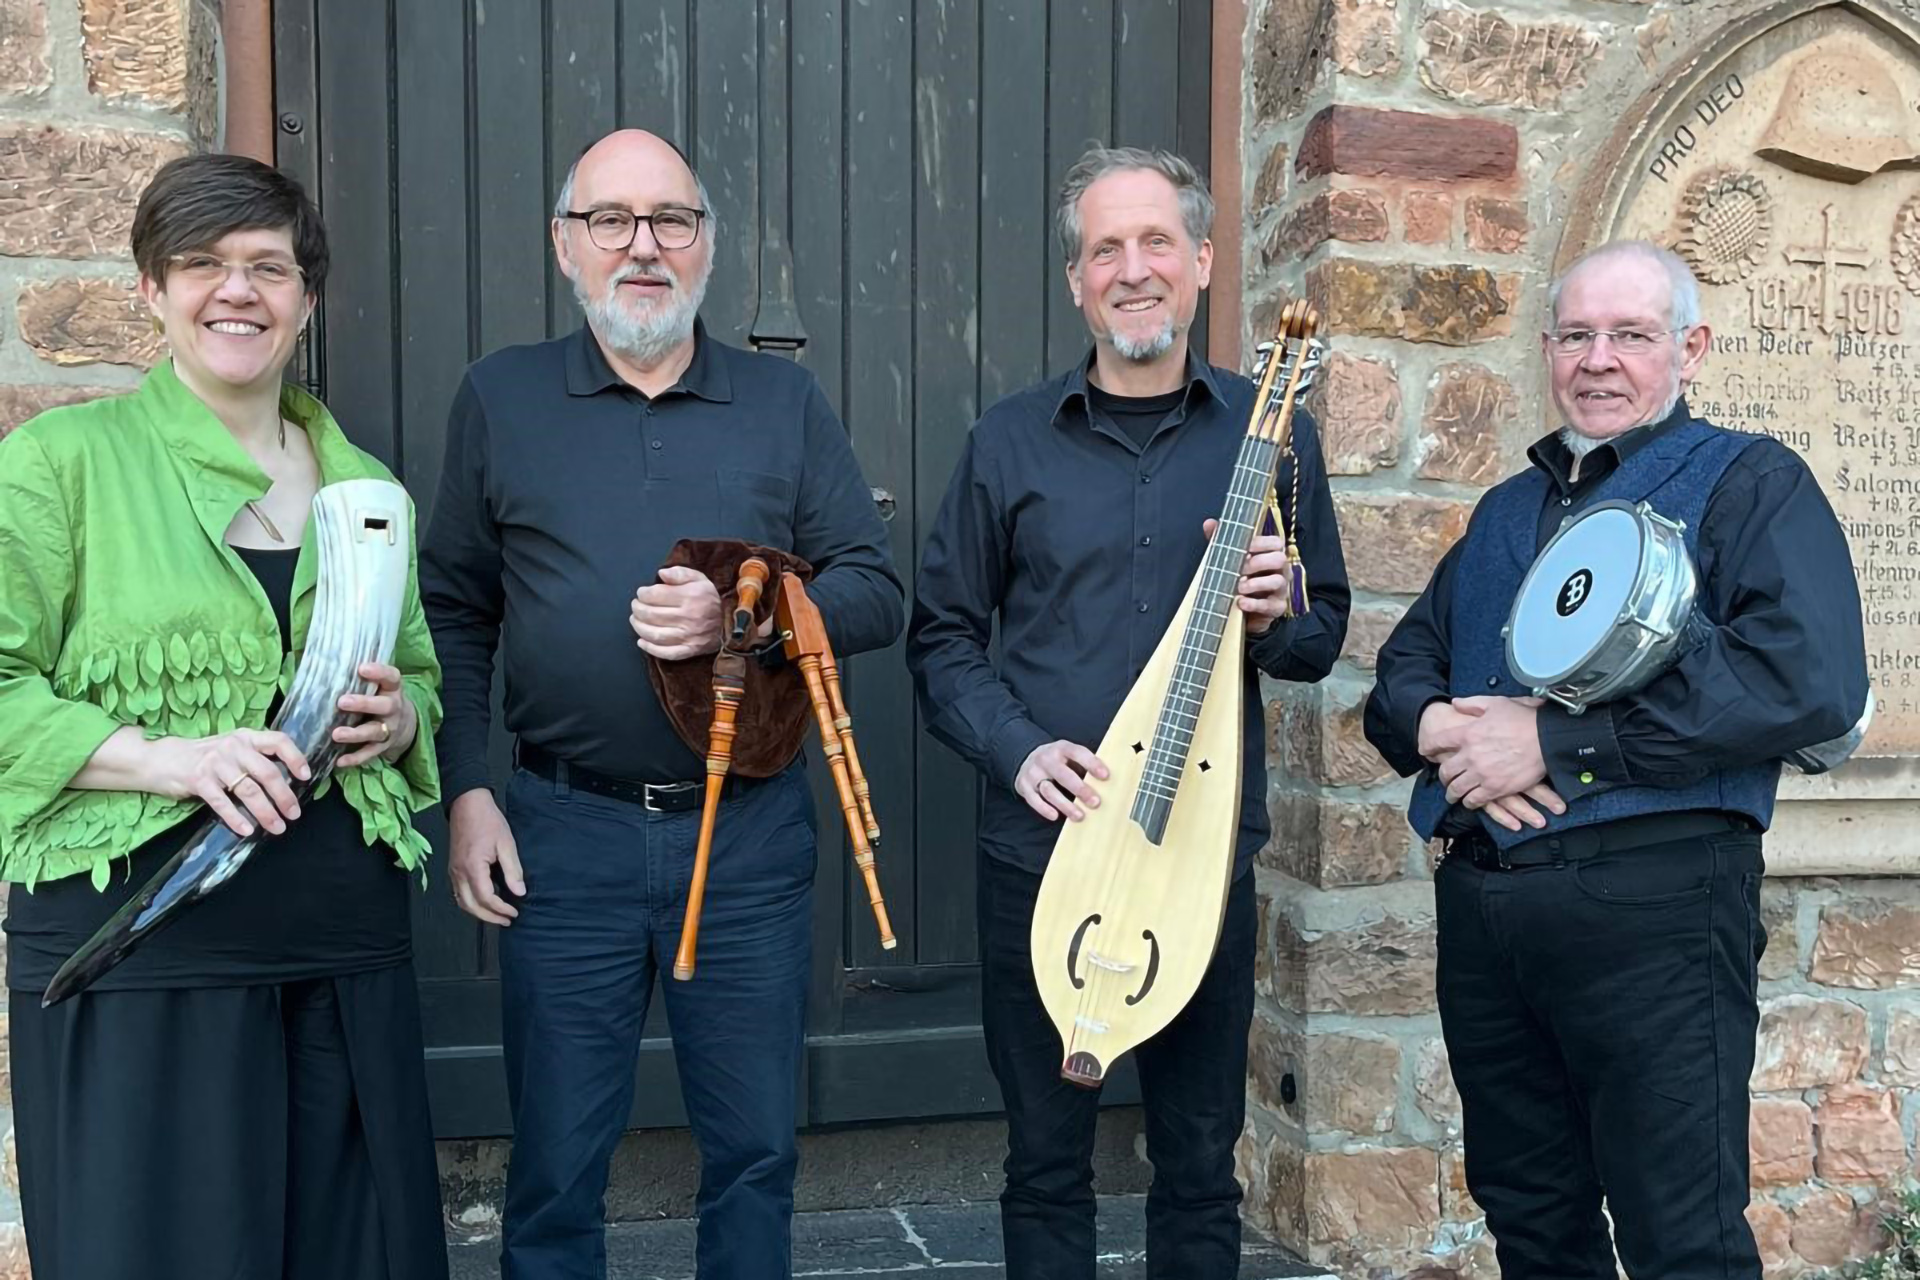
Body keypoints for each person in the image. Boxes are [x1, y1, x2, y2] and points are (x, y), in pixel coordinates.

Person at [419, 128, 903, 1280]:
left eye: (671, 220)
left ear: (707, 246)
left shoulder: (781, 401)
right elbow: (451, 608)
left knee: (750, 1155)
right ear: (565, 245)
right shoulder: (501, 396)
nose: (643, 245)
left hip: (745, 834)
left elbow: (873, 589)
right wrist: (469, 791)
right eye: (611, 220)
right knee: (555, 1163)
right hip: (560, 834)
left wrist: (747, 621)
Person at [1363, 240, 1869, 1279]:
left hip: (1661, 908)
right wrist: (1442, 728)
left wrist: (1555, 743)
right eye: (1578, 335)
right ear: (1548, 351)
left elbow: (1803, 679)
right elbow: (1403, 670)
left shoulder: (1751, 480)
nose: (1600, 360)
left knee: (1679, 1238)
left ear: (1690, 346)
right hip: (1491, 914)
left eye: (1630, 334)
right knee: (1533, 1223)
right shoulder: (1504, 510)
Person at [0, 153, 449, 1280]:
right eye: (200, 263)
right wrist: (162, 756)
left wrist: (397, 722)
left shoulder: (367, 491)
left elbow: (424, 680)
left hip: (346, 945)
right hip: (149, 949)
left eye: (267, 266)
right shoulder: (61, 463)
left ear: (307, 295)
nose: (235, 289)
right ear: (152, 289)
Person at [906, 146, 1349, 1279]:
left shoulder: (1269, 429)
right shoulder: (1008, 441)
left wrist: (1273, 608)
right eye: (1107, 247)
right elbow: (941, 637)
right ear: (1076, 280)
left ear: (1202, 261)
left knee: (1201, 1162)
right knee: (1046, 1161)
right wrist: (1016, 750)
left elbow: (1320, 630)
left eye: (1158, 242)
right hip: (1045, 854)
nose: (1133, 268)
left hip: (1198, 868)